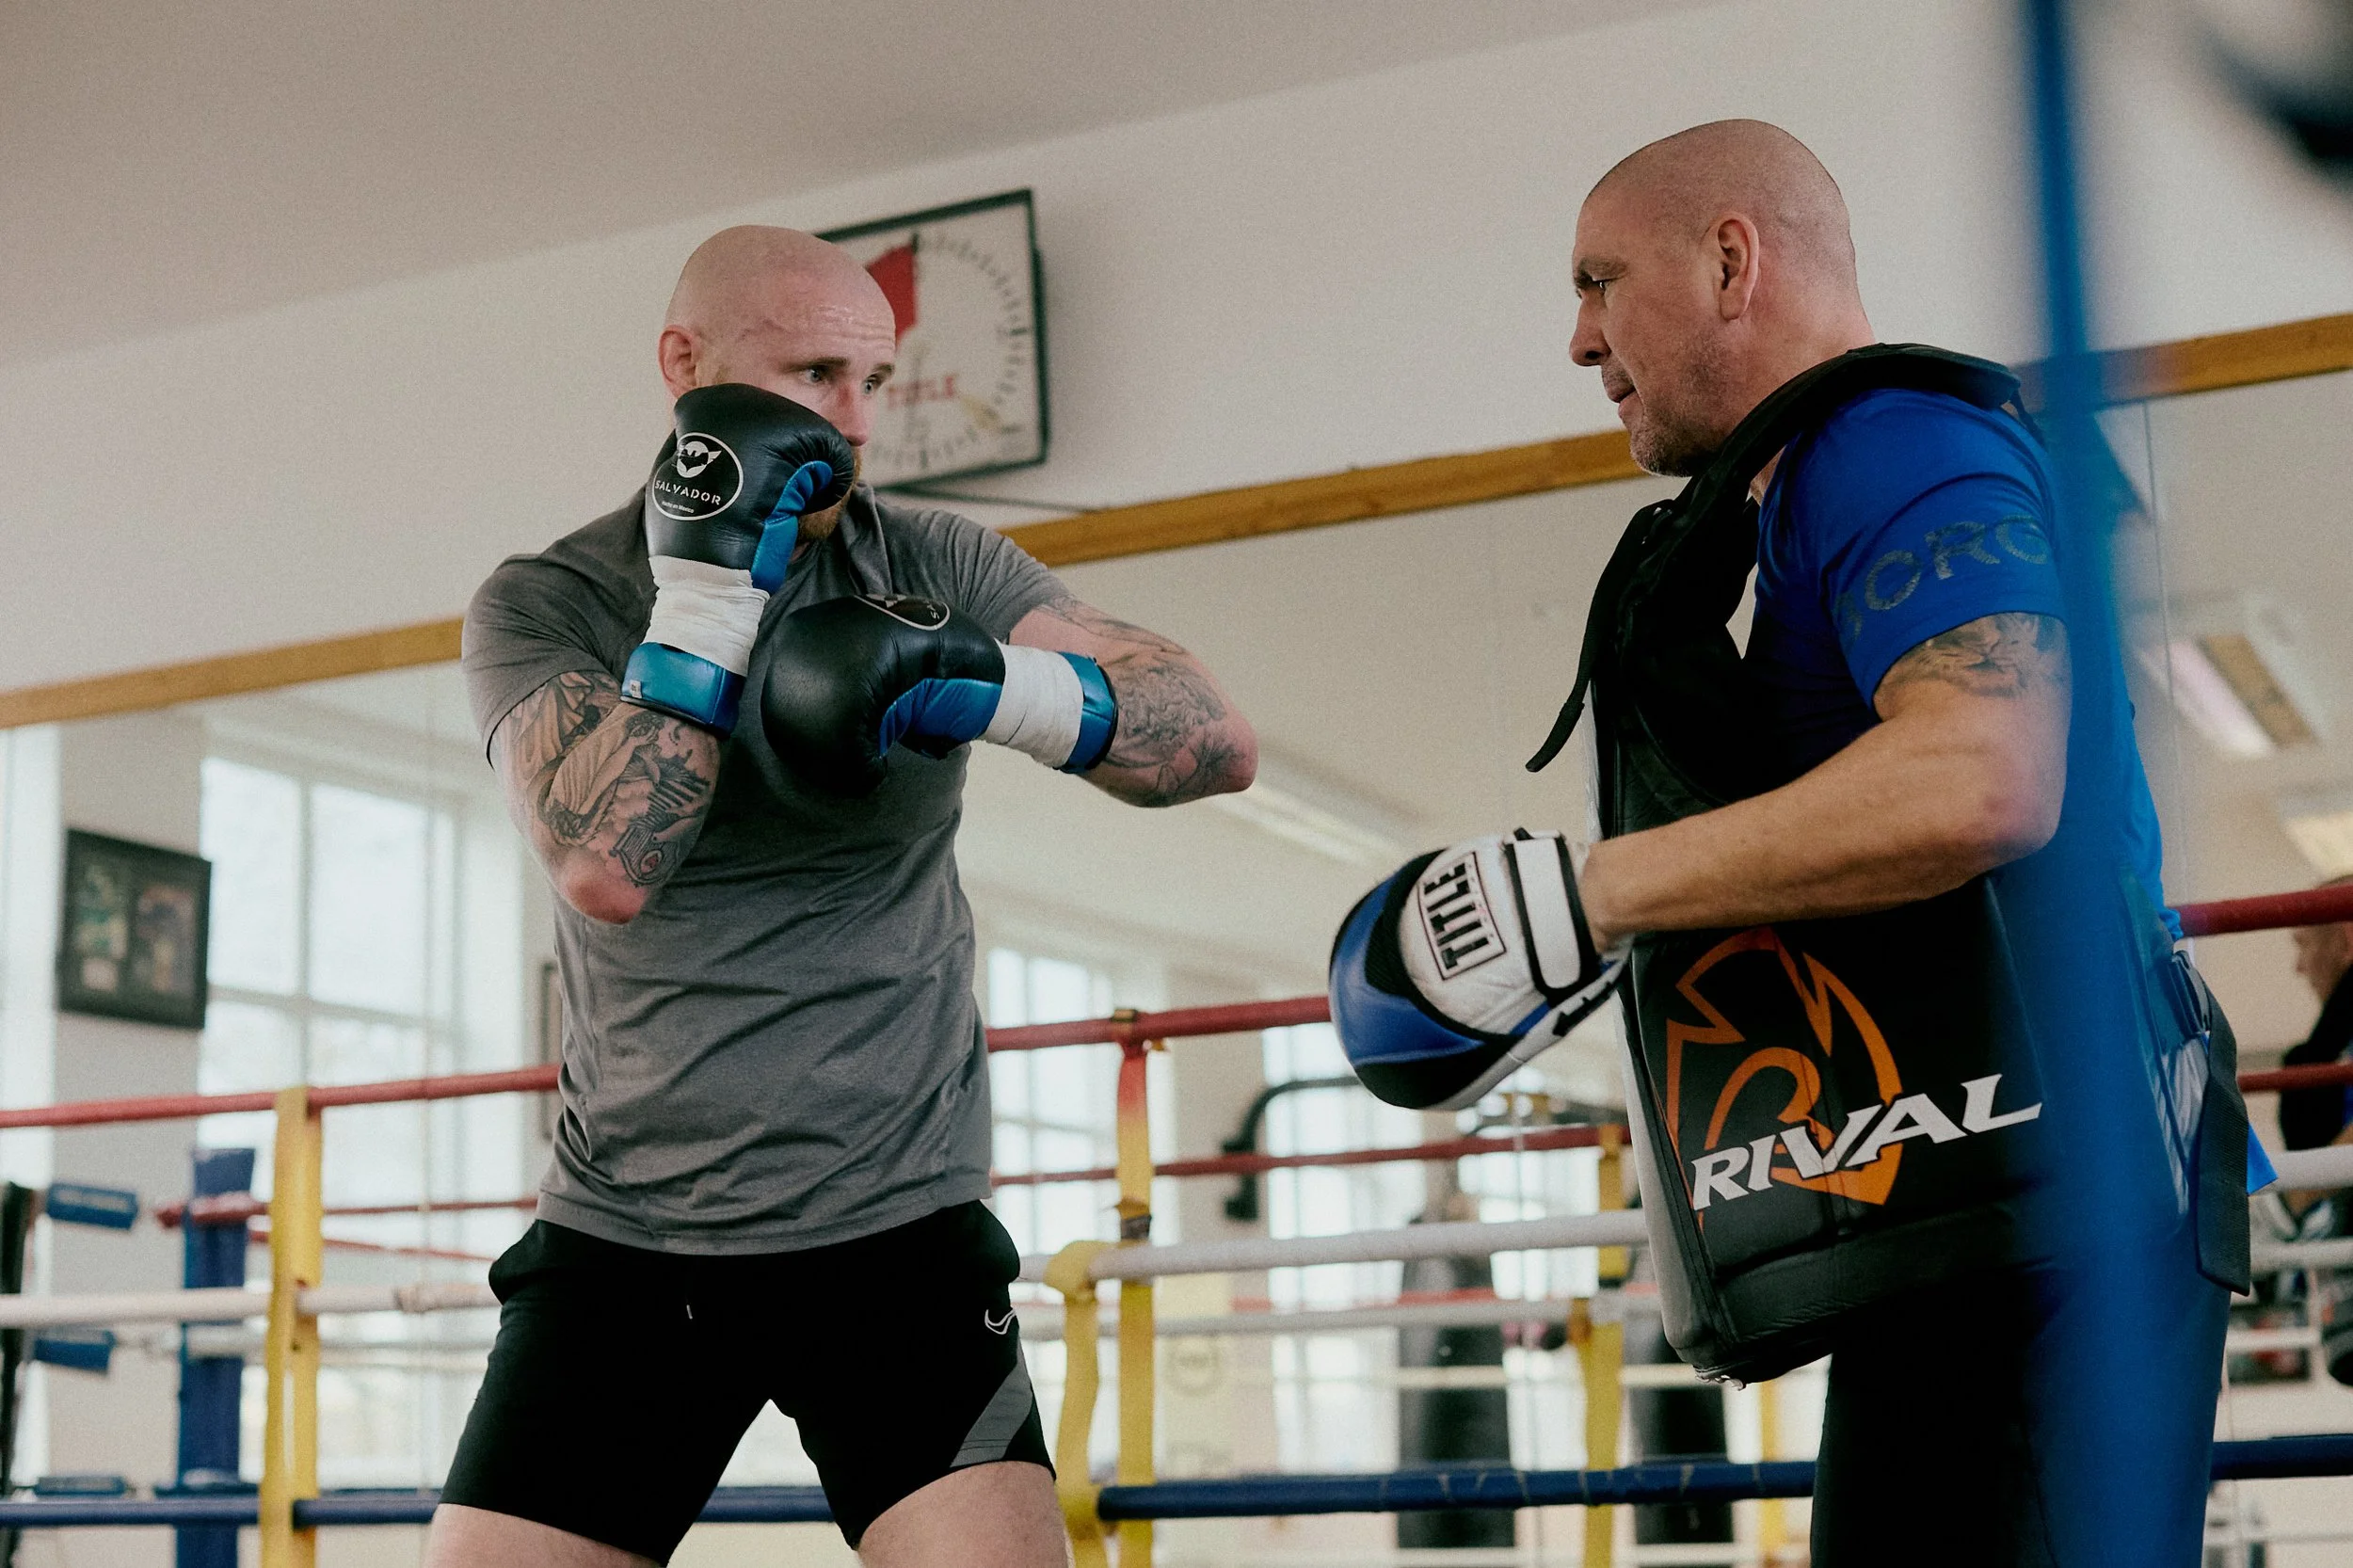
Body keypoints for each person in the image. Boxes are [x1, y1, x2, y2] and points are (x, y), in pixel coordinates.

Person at [1328, 120, 2255, 1564]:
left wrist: (1591, 899)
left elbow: (1984, 772)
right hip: (1980, 1187)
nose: (1579, 338)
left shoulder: (1894, 440)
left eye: (1597, 280)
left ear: (1731, 259)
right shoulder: (1789, 496)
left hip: (2068, 1197)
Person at [430, 226, 1257, 1568]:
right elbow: (605, 864)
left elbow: (1218, 741)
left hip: (895, 1233)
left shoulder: (935, 565)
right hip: (631, 1237)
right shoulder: (551, 602)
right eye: (818, 374)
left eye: (873, 381)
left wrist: (1005, 685)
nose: (856, 424)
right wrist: (705, 600)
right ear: (683, 366)